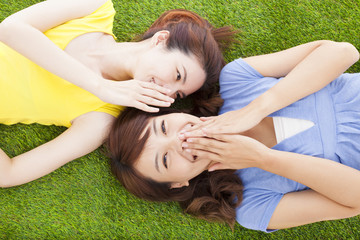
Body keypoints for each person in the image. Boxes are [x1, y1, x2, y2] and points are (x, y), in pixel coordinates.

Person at [108, 40, 360, 232]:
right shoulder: (251, 206)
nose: (179, 140)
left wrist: (256, 109)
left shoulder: (236, 80)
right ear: (178, 184)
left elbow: (344, 52)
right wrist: (264, 159)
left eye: (163, 128)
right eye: (165, 160)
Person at [0, 0, 234, 187]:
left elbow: (9, 174)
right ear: (162, 40)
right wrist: (98, 86)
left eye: (178, 95)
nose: (167, 91)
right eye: (177, 75)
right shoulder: (96, 8)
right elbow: (9, 30)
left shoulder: (101, 118)